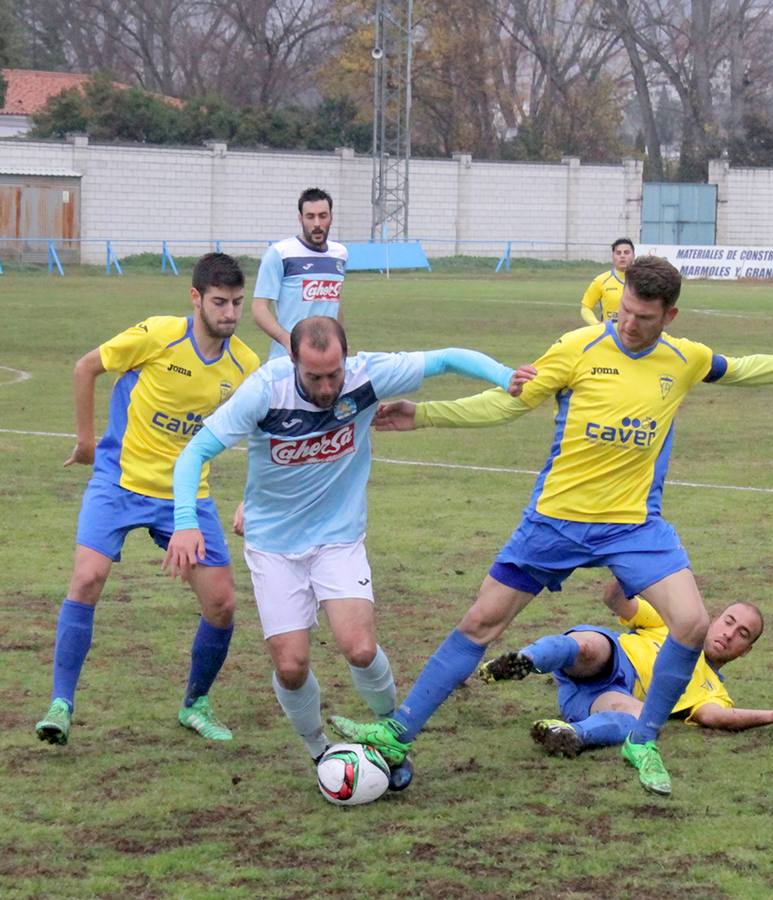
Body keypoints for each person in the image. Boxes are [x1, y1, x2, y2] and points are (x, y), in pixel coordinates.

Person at [328, 256, 773, 796]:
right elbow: (506, 404)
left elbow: (747, 368)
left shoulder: (684, 359)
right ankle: (399, 732)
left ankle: (643, 739)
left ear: (670, 315)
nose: (629, 324)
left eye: (644, 317)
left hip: (632, 526)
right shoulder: (576, 349)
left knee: (692, 623)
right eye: (624, 311)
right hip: (555, 519)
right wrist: (425, 415)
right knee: (480, 624)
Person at [164, 317, 533, 787]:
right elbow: (193, 453)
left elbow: (447, 358)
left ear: (346, 359)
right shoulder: (264, 391)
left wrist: (506, 377)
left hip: (338, 538)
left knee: (360, 649)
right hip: (274, 547)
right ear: (293, 361)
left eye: (334, 374)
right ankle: (321, 752)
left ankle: (391, 738)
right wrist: (184, 524)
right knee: (291, 666)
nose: (326, 386)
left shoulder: (367, 375)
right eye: (314, 376)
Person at [34, 253, 261, 747]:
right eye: (220, 302)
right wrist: (87, 440)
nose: (230, 313)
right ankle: (61, 704)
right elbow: (86, 367)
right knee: (87, 577)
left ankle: (195, 703)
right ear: (196, 298)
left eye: (238, 303)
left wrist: (254, 496)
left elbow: (261, 435)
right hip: (119, 482)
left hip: (187, 496)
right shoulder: (158, 336)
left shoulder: (245, 364)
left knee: (221, 604)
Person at [477, 583, 773, 758]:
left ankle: (568, 734)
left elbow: (714, 718)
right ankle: (524, 660)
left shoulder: (714, 690)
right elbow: (615, 600)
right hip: (608, 660)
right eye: (728, 621)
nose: (729, 633)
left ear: (746, 651)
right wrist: (626, 563)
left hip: (606, 699)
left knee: (644, 722)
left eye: (742, 634)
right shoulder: (675, 624)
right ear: (714, 618)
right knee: (588, 646)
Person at [252, 187, 347, 360]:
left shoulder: (340, 254)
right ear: (300, 218)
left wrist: (341, 341)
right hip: (288, 360)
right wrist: (288, 341)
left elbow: (335, 303)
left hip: (328, 361)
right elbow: (259, 308)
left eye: (323, 216)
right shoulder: (280, 253)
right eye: (310, 216)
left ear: (331, 218)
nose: (317, 223)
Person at [579, 238, 634, 325]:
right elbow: (586, 308)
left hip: (636, 335)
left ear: (633, 255)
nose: (622, 256)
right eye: (618, 253)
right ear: (613, 256)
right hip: (610, 335)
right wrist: (597, 325)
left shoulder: (643, 281)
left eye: (626, 252)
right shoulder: (601, 281)